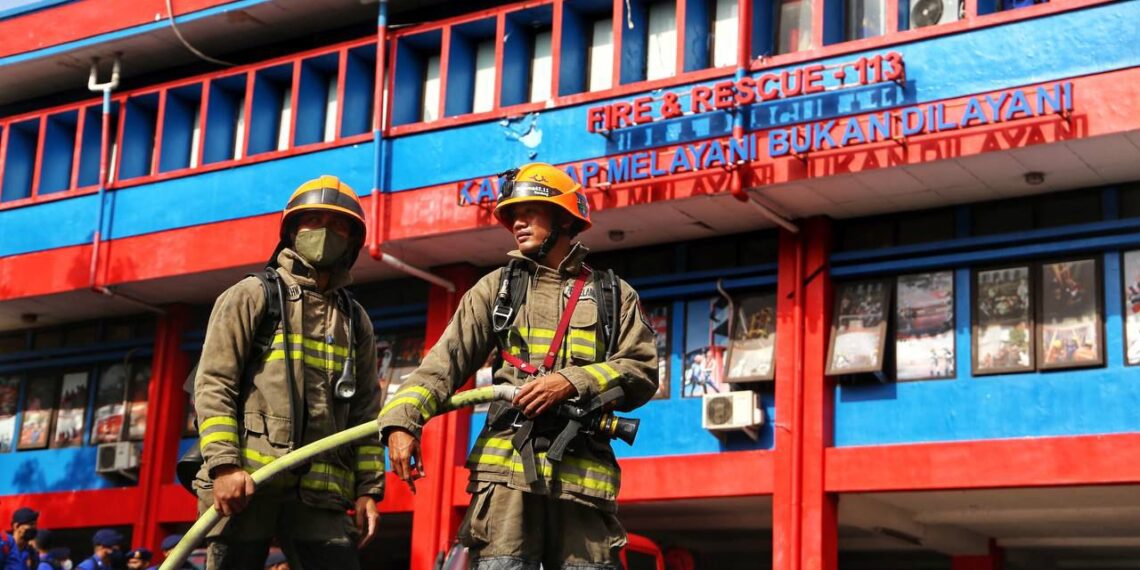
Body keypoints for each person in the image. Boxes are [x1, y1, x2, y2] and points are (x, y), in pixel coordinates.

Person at [379, 163, 658, 569]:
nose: (517, 223)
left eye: (530, 212)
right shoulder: (496, 288)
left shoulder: (613, 295)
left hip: (582, 481)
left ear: (563, 218)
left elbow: (642, 370)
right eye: (512, 215)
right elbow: (442, 364)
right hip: (505, 475)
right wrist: (402, 421)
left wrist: (571, 381)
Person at [194, 175, 383, 570]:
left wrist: (369, 490)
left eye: (338, 225)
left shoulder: (355, 319)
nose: (324, 232)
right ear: (291, 230)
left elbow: (366, 413)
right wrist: (226, 466)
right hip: (247, 487)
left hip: (322, 497)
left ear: (353, 240)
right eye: (312, 221)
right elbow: (214, 385)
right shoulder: (251, 296)